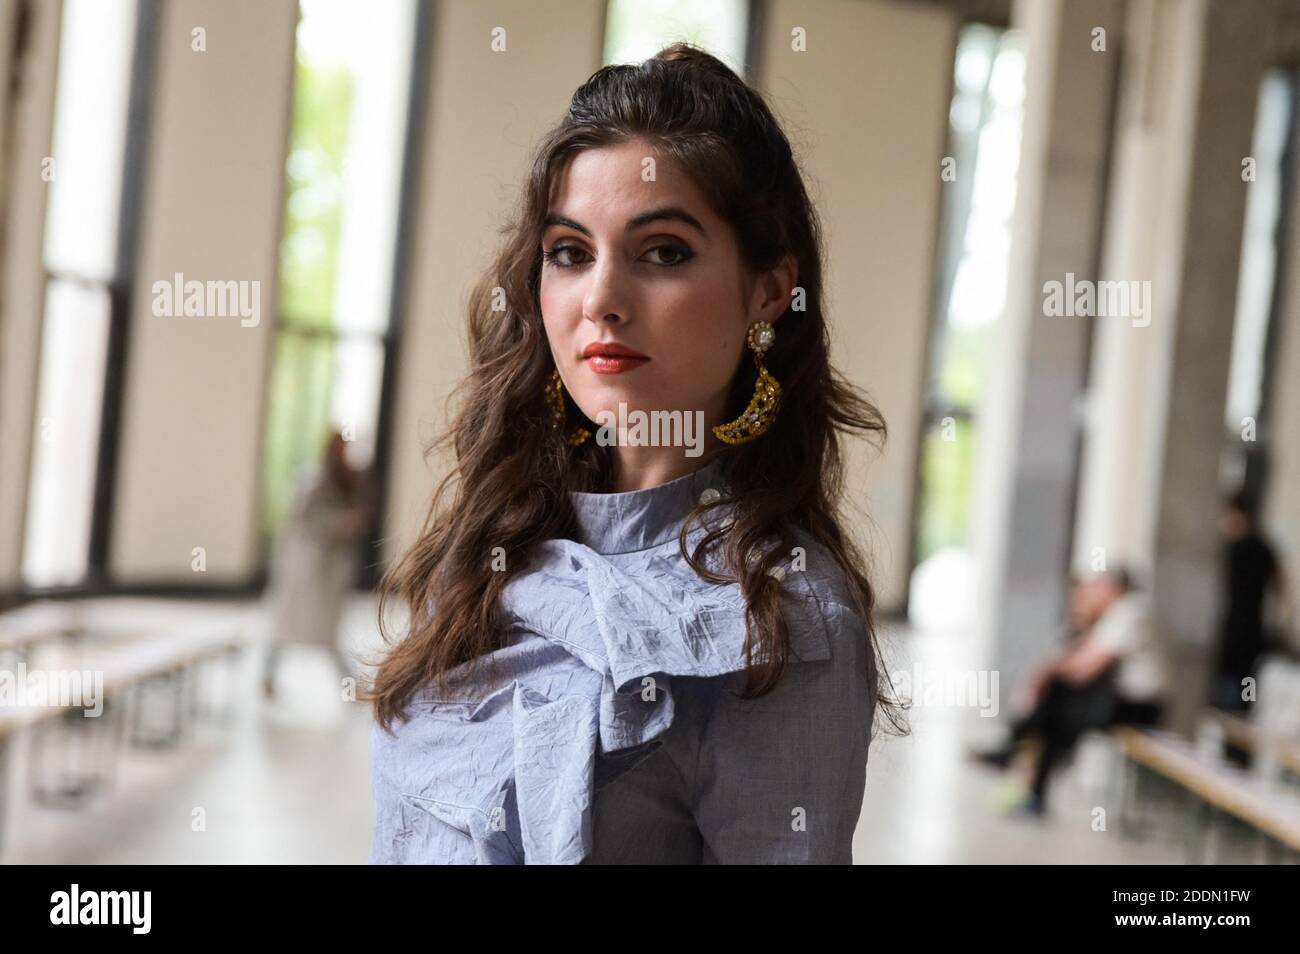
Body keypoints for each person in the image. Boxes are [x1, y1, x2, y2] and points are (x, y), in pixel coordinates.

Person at [365, 44, 904, 865]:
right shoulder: (490, 545)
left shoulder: (782, 616)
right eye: (571, 253)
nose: (603, 300)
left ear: (768, 289)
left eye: (663, 253)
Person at [974, 568, 1167, 815]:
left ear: (1114, 589)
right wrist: (1083, 619)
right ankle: (1021, 762)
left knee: (1057, 704)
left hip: (1139, 708)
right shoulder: (1112, 616)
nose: (1090, 594)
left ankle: (1014, 748)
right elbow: (1072, 658)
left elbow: (1083, 669)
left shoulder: (1131, 611)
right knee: (1056, 710)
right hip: (1115, 701)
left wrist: (1042, 677)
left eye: (1097, 588)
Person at [263, 430, 373, 699]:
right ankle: (268, 676)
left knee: (327, 632)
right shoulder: (313, 480)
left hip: (330, 570)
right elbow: (302, 518)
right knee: (289, 626)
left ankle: (349, 685)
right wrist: (338, 523)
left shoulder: (347, 479)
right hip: (307, 567)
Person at [1210, 492, 1290, 713]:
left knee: (1228, 694)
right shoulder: (1265, 548)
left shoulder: (1235, 549)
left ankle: (1235, 723)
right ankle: (1243, 714)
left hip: (1235, 635)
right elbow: (1281, 586)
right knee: (1247, 688)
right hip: (1253, 633)